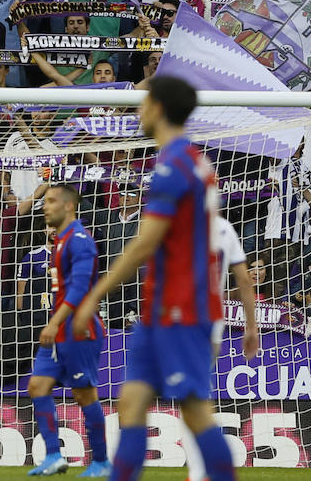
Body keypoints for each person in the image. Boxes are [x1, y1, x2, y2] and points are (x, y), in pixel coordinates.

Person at [73, 76, 258, 481]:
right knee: (131, 403)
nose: (138, 111)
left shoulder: (174, 166)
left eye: (142, 103)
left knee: (193, 410)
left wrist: (93, 297)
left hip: (182, 307)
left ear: (157, 107)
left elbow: (144, 245)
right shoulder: (189, 160)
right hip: (159, 307)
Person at [23, 184, 110, 476]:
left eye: (51, 201)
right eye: (44, 201)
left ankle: (100, 461)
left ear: (69, 206)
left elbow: (80, 289)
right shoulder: (61, 240)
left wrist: (54, 321)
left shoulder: (81, 240)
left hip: (79, 329)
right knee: (37, 386)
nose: (45, 206)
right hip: (60, 329)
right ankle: (53, 456)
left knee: (84, 394)